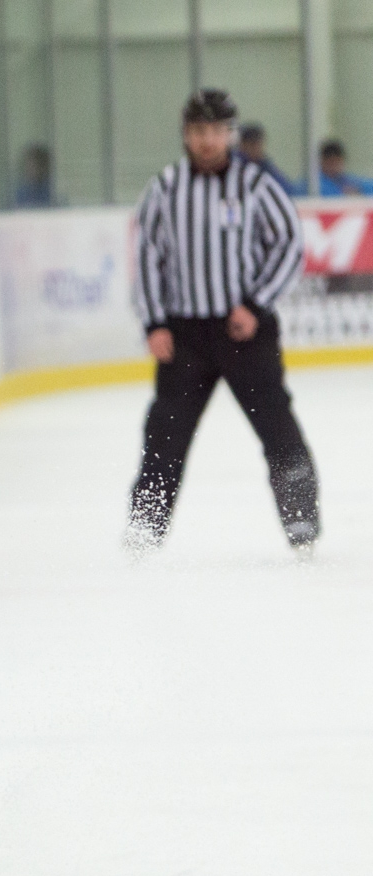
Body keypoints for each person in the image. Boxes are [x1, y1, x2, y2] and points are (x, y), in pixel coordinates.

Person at [129, 89, 318, 552]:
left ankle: (303, 527)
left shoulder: (256, 185)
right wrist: (154, 323)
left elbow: (290, 245)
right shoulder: (166, 187)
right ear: (186, 135)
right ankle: (144, 532)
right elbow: (147, 256)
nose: (207, 140)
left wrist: (255, 305)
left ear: (229, 134)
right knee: (164, 436)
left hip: (244, 333)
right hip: (184, 337)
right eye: (197, 132)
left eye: (215, 131)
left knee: (277, 426)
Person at [238, 123, 297, 195]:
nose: (256, 148)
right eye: (252, 144)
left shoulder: (266, 166)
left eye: (258, 144)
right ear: (242, 145)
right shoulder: (236, 165)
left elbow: (285, 189)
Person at [12, 142, 53, 208]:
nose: (29, 169)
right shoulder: (21, 193)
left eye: (34, 165)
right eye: (28, 165)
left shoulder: (51, 191)